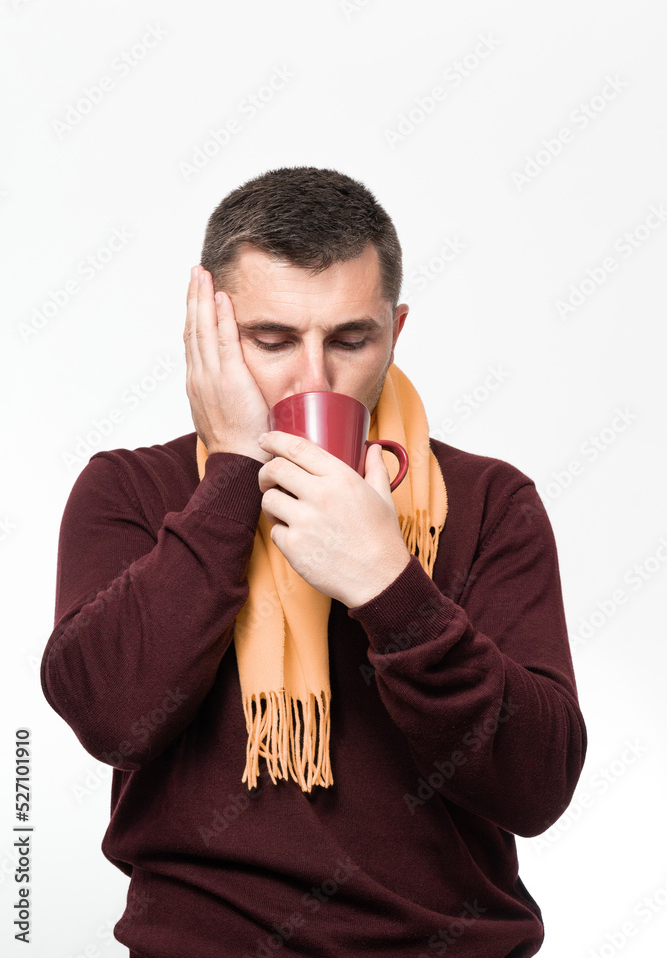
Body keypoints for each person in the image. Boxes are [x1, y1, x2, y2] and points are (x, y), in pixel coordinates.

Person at [41, 165, 587, 958]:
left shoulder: (489, 501)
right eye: (271, 340)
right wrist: (231, 476)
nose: (312, 379)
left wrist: (387, 584)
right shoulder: (131, 488)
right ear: (210, 333)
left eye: (350, 340)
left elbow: (535, 787)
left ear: (394, 331)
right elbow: (111, 717)